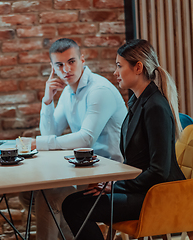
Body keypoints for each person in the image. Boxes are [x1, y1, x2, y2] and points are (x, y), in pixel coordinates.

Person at [62, 39, 186, 240]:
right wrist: (113, 182)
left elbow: (159, 171)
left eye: (119, 66)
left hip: (156, 197)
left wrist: (116, 185)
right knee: (71, 202)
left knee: (77, 208)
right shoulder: (138, 102)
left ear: (138, 67)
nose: (115, 73)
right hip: (140, 190)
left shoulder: (155, 107)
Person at [19, 38, 127, 240]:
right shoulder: (69, 91)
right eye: (59, 64)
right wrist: (47, 100)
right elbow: (49, 133)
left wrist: (40, 144)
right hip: (86, 168)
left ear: (82, 60)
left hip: (110, 171)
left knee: (49, 196)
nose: (66, 69)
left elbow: (85, 139)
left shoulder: (98, 90)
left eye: (71, 61)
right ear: (53, 68)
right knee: (27, 194)